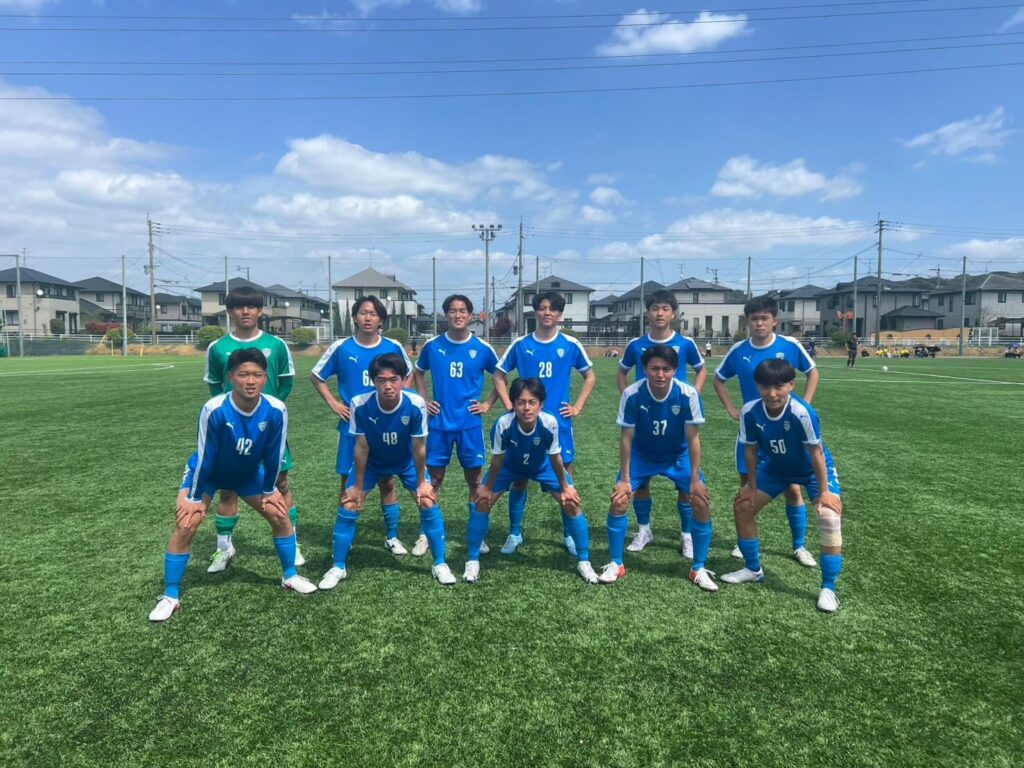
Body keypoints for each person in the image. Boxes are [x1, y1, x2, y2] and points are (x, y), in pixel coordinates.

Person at [149, 349, 316, 622]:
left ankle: (290, 576)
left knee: (280, 514)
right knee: (186, 524)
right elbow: (205, 457)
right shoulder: (214, 409)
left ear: (265, 378)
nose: (250, 381)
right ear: (230, 377)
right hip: (207, 474)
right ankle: (170, 596)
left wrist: (269, 490)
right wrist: (193, 498)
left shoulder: (276, 409)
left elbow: (273, 454)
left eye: (257, 375)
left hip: (247, 474)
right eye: (243, 375)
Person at [318, 353, 457, 589]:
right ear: (373, 381)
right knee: (349, 503)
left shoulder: (415, 404)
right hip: (373, 462)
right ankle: (338, 567)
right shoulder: (360, 404)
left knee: (427, 501)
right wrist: (357, 487)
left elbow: (419, 446)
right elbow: (361, 447)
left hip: (405, 461)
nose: (388, 386)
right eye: (381, 380)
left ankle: (440, 564)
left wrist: (422, 483)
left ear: (403, 380)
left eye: (394, 379)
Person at [721, 359, 845, 613]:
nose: (772, 393)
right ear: (757, 386)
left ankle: (828, 588)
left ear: (791, 385)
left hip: (812, 471)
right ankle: (753, 569)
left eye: (779, 386)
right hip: (776, 468)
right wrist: (751, 485)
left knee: (829, 517)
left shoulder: (802, 412)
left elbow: (817, 453)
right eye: (765, 387)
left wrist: (823, 492)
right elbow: (750, 450)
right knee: (743, 506)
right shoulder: (750, 411)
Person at [713, 295, 820, 568]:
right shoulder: (739, 350)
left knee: (793, 489)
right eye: (754, 319)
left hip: (786, 432)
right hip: (753, 432)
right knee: (747, 489)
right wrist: (732, 409)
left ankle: (799, 545)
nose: (759, 323)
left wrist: (805, 404)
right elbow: (718, 379)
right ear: (747, 321)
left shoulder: (790, 345)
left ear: (774, 321)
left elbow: (812, 372)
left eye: (764, 318)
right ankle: (745, 542)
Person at [202, 286, 303, 572]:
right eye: (238, 306)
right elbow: (215, 387)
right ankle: (224, 549)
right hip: (231, 433)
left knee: (280, 484)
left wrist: (267, 414)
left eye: (251, 306)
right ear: (229, 311)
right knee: (227, 490)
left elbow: (286, 381)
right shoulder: (217, 348)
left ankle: (292, 542)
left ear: (260, 311)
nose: (245, 312)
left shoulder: (276, 345)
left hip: (267, 429)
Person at [599, 345, 716, 591]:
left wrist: (695, 478)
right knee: (619, 500)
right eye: (654, 368)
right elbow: (626, 438)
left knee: (700, 500)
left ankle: (698, 568)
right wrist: (625, 479)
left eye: (666, 369)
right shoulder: (631, 394)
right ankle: (616, 563)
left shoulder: (688, 394)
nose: (660, 374)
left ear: (675, 370)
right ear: (645, 369)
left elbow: (693, 438)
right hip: (642, 454)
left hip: (677, 455)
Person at [493, 291, 597, 555]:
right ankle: (515, 534)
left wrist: (578, 406)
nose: (547, 312)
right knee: (519, 479)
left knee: (565, 479)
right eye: (542, 308)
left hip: (559, 424)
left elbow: (590, 376)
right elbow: (498, 375)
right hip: (524, 422)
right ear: (535, 312)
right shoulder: (521, 344)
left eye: (552, 308)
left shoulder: (570, 344)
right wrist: (509, 405)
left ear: (559, 314)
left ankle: (568, 535)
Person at [469, 378, 599, 584]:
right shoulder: (503, 423)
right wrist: (487, 488)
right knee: (482, 501)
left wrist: (565, 487)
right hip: (509, 467)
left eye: (532, 402)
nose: (526, 408)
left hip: (542, 466)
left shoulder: (550, 423)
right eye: (521, 402)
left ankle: (584, 561)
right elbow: (498, 459)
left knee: (572, 502)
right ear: (513, 404)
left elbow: (555, 457)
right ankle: (472, 560)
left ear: (541, 404)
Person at [311, 296, 414, 554]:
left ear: (381, 320)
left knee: (387, 481)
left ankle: (391, 536)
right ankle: (346, 535)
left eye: (373, 313)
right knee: (348, 483)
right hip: (353, 426)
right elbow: (317, 376)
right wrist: (335, 404)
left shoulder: (393, 346)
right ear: (355, 317)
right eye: (363, 313)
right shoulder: (342, 347)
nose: (368, 318)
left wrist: (400, 402)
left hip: (386, 426)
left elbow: (409, 374)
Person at [616, 289, 707, 558]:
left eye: (665, 309)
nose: (659, 313)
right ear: (648, 313)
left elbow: (701, 369)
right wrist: (626, 397)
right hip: (645, 415)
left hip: (676, 414)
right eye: (655, 309)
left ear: (673, 314)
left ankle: (687, 534)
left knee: (685, 485)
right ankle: (644, 529)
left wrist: (695, 393)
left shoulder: (685, 343)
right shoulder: (636, 344)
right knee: (640, 482)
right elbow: (622, 371)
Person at [412, 294, 500, 558]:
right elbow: (418, 372)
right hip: (439, 424)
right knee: (433, 480)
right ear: (446, 315)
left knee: (475, 480)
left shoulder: (482, 348)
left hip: (469, 425)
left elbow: (501, 376)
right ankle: (426, 534)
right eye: (452, 310)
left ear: (471, 315)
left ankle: (476, 535)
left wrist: (487, 404)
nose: (458, 315)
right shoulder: (433, 346)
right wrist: (424, 400)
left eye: (463, 310)